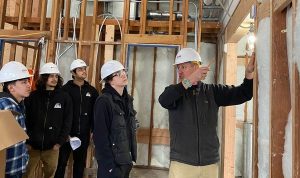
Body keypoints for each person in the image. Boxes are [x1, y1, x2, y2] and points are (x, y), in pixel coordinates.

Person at [158, 48, 255, 178]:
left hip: (209, 164)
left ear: (196, 67)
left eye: (183, 67)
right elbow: (163, 100)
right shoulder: (175, 92)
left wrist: (249, 74)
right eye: (178, 68)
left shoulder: (212, 92)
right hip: (182, 163)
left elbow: (244, 94)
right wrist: (189, 80)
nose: (179, 71)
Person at [23, 62, 73, 178]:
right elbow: (25, 120)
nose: (54, 79)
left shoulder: (64, 97)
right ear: (44, 77)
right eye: (51, 76)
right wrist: (27, 141)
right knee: (27, 174)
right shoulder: (32, 97)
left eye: (56, 76)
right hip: (32, 146)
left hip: (52, 147)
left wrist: (59, 143)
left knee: (50, 175)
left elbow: (67, 122)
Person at [55, 59, 98, 178]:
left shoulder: (92, 91)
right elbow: (58, 114)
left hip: (83, 134)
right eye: (80, 69)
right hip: (66, 135)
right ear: (73, 73)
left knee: (80, 164)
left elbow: (96, 113)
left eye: (84, 69)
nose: (84, 71)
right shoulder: (64, 90)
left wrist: (93, 130)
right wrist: (63, 134)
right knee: (61, 163)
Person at [93, 60, 137, 178]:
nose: (123, 74)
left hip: (125, 161)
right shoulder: (104, 101)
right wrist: (110, 166)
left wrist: (131, 158)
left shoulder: (128, 100)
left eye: (123, 71)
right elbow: (100, 138)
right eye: (117, 74)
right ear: (109, 80)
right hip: (111, 165)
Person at [0, 61, 32, 178]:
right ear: (11, 88)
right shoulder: (6, 106)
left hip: (15, 167)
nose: (28, 85)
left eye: (28, 81)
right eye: (24, 82)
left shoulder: (18, 105)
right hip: (8, 171)